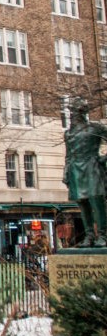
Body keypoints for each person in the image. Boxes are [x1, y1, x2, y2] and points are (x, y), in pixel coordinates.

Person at [63, 98, 107, 247]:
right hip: (76, 169)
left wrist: (103, 158)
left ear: (82, 113)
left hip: (92, 167)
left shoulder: (95, 129)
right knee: (82, 203)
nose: (72, 115)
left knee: (96, 200)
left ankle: (102, 235)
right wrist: (66, 172)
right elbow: (68, 155)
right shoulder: (68, 133)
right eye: (72, 112)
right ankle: (89, 236)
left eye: (75, 112)